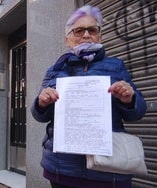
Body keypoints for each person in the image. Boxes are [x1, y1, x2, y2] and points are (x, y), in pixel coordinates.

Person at [31, 5, 147, 188]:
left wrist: (129, 99)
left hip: (107, 171)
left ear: (99, 35)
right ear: (67, 39)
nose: (86, 35)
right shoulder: (55, 70)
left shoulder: (116, 66)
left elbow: (138, 112)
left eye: (92, 30)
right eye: (79, 30)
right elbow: (39, 116)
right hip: (61, 169)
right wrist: (41, 103)